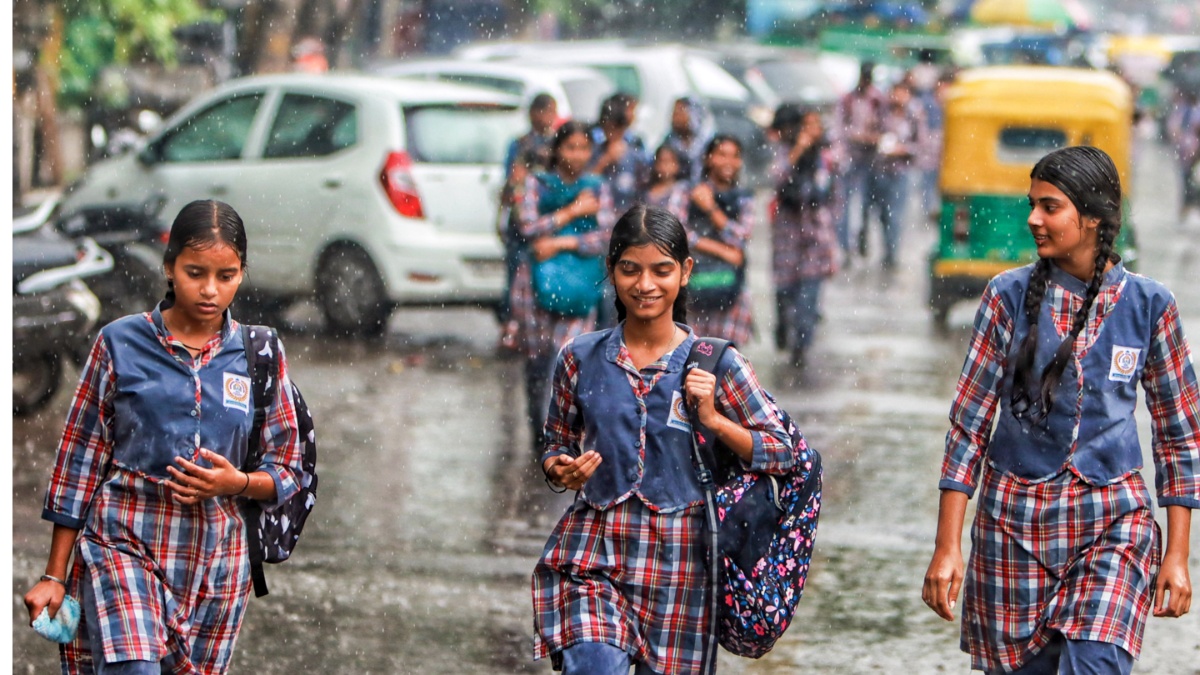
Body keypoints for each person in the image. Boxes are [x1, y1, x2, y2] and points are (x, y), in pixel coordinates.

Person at [922, 146, 1198, 674]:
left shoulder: (1150, 307)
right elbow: (969, 426)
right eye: (1033, 205)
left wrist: (1178, 557)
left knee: (1095, 664)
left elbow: (1179, 435)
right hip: (1011, 527)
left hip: (1112, 525)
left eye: (1050, 207)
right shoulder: (1006, 297)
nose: (1032, 219)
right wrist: (947, 547)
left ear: (1092, 218)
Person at [23, 200, 305, 673]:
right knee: (132, 667)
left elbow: (288, 467)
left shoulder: (261, 354)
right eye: (196, 272)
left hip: (217, 567)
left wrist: (235, 483)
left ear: (242, 273)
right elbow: (79, 460)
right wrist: (55, 574)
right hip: (125, 546)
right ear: (169, 266)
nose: (210, 290)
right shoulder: (119, 343)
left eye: (226, 275)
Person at [532, 204, 798, 674]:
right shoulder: (579, 357)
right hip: (596, 554)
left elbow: (782, 452)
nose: (645, 285)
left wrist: (715, 420)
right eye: (630, 269)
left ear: (685, 271)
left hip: (682, 569)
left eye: (661, 270)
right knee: (593, 664)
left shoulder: (717, 364)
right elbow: (554, 443)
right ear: (612, 271)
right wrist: (561, 470)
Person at [511, 120, 615, 454]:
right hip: (535, 285)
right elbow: (526, 226)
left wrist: (560, 243)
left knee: (568, 359)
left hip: (580, 285)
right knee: (537, 358)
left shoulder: (597, 188)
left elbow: (606, 236)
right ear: (557, 150)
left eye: (583, 147)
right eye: (570, 147)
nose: (577, 154)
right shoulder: (537, 184)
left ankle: (561, 437)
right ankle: (536, 431)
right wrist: (572, 211)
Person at [769, 105, 838, 371]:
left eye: (815, 126)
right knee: (785, 292)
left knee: (809, 297)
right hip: (788, 235)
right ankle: (784, 329)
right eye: (805, 126)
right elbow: (777, 178)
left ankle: (801, 348)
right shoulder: (785, 153)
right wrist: (797, 150)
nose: (810, 132)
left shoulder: (826, 157)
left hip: (816, 238)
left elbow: (835, 196)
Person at [498, 93, 560, 351]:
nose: (546, 118)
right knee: (516, 274)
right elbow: (510, 181)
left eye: (550, 112)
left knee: (544, 273)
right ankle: (515, 327)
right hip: (523, 218)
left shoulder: (559, 143)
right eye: (542, 112)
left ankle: (540, 326)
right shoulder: (520, 144)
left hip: (547, 216)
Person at [687, 134, 755, 347]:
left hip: (731, 291)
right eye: (722, 155)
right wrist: (723, 251)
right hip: (694, 285)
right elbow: (675, 232)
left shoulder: (743, 197)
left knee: (727, 358)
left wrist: (710, 209)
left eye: (735, 156)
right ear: (708, 158)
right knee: (692, 357)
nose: (729, 162)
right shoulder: (688, 192)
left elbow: (742, 235)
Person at [861, 80, 923, 270]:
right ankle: (880, 248)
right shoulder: (881, 113)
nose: (898, 97)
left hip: (900, 172)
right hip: (879, 170)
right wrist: (878, 140)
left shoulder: (914, 117)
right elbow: (867, 133)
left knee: (895, 215)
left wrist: (902, 149)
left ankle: (891, 254)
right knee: (879, 214)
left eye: (903, 93)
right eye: (896, 93)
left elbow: (920, 145)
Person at [833, 61, 886, 257]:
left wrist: (875, 137)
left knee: (866, 205)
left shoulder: (878, 100)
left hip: (871, 160)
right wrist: (857, 136)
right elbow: (839, 128)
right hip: (850, 158)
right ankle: (845, 247)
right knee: (845, 206)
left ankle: (861, 242)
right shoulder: (848, 100)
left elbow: (885, 126)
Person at [661, 96, 712, 183]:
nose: (674, 117)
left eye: (680, 111)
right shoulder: (669, 141)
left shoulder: (708, 142)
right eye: (674, 112)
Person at [639, 143, 691, 222]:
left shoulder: (681, 188)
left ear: (677, 165)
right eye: (661, 161)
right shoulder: (646, 190)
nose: (664, 166)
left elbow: (678, 218)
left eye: (669, 161)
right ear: (655, 165)